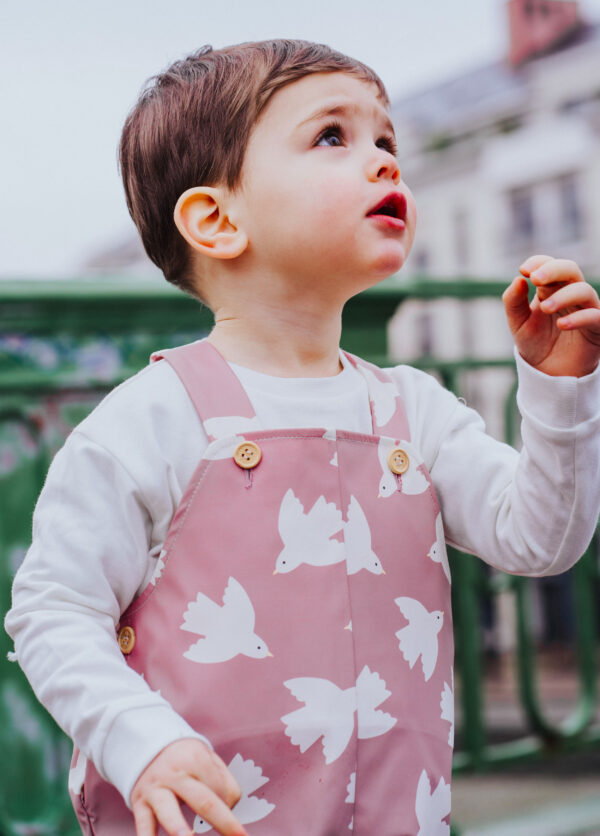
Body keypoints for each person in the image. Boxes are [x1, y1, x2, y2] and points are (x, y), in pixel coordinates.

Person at [5, 39, 600, 836]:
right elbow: (52, 608)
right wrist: (138, 742)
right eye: (333, 137)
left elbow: (540, 539)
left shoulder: (414, 410)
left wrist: (561, 389)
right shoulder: (153, 418)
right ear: (216, 219)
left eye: (387, 141)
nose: (385, 163)